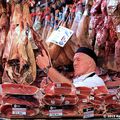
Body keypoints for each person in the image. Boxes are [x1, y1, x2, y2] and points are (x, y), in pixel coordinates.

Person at [36, 47, 106, 88]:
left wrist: (47, 68)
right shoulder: (78, 81)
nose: (74, 63)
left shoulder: (96, 81)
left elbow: (72, 90)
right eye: (74, 60)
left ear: (90, 63)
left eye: (78, 60)